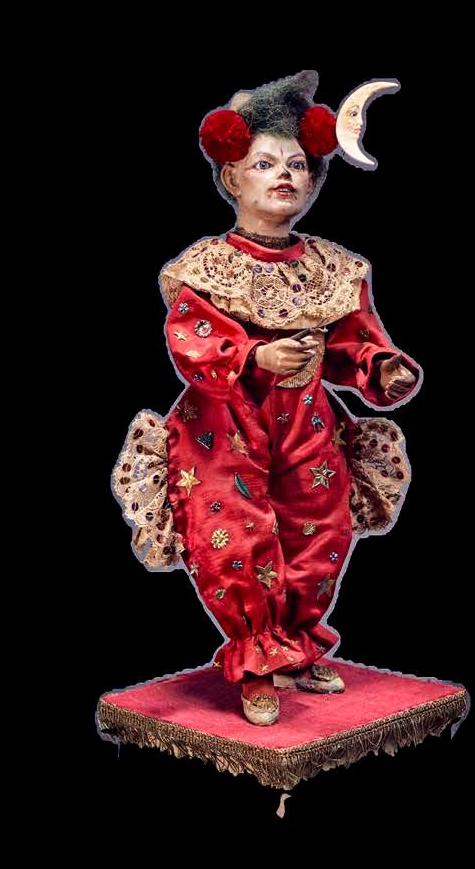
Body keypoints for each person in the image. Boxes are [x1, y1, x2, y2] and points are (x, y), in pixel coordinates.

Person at [112, 72, 421, 726]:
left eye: (296, 165)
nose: (283, 175)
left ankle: (295, 646)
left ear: (313, 182)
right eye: (264, 164)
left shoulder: (333, 268)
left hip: (308, 424)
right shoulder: (207, 265)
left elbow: (352, 342)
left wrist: (382, 367)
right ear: (232, 178)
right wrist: (255, 355)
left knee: (321, 528)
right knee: (234, 536)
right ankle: (256, 657)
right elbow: (191, 338)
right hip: (224, 425)